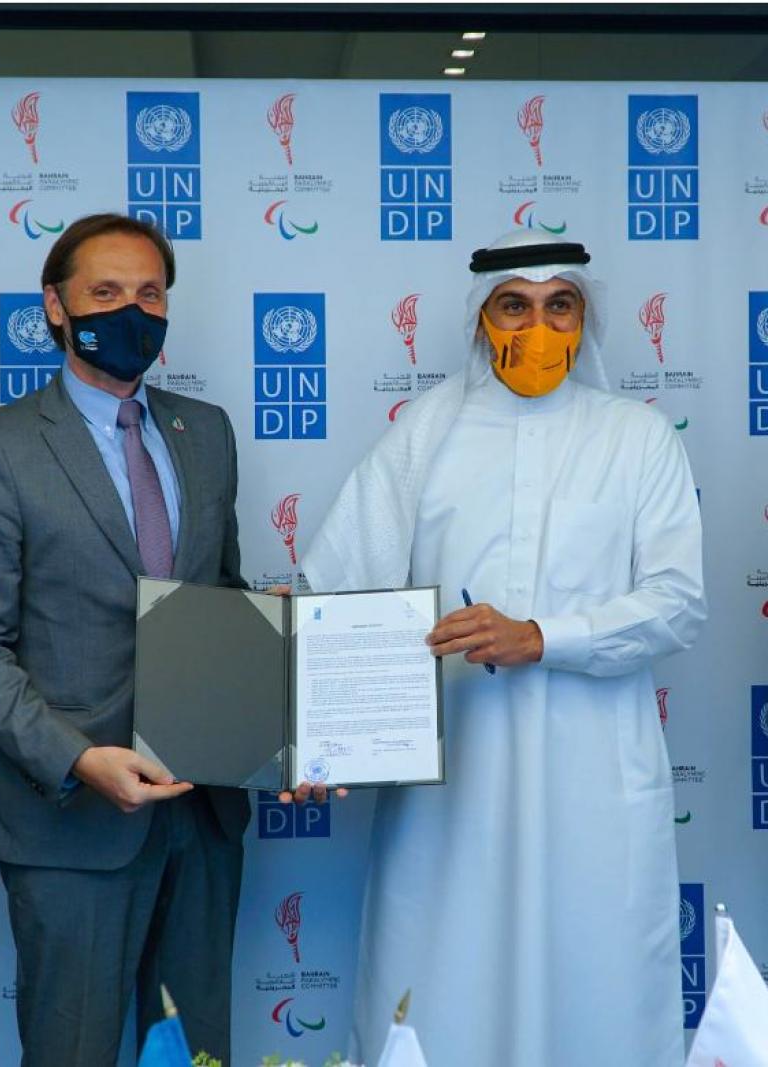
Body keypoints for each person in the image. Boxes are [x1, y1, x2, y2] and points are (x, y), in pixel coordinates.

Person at [301, 229, 706, 1067]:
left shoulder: (638, 438)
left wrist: (542, 636)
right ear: (481, 318)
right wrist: (305, 707)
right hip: (454, 790)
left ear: (585, 317)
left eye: (559, 305)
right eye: (513, 305)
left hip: (593, 777)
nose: (537, 325)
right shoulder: (428, 430)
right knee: (438, 991)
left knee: (600, 991)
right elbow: (339, 589)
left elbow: (677, 604)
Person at [0, 213, 251, 1067]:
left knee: (196, 1053)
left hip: (203, 812)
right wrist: (78, 758)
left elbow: (227, 605)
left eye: (150, 293)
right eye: (106, 292)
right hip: (71, 823)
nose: (133, 310)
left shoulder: (207, 432)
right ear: (55, 307)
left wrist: (297, 732)